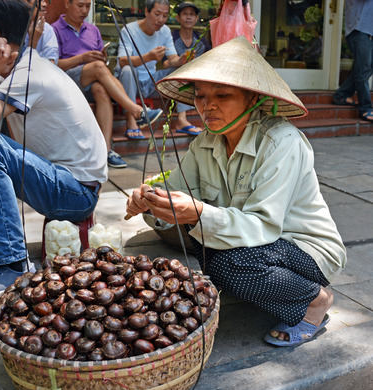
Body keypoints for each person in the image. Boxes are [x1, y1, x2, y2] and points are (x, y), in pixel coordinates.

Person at [126, 37, 347, 347]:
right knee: (207, 247)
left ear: (252, 97)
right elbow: (174, 187)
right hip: (257, 244)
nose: (207, 106)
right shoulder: (205, 142)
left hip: (302, 247)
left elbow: (264, 224)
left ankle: (314, 302)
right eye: (200, 96)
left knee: (231, 264)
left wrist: (199, 212)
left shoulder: (280, 141)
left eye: (223, 95)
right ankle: (274, 287)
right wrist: (148, 199)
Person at [0, 0, 108, 302]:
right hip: (59, 181)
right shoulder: (13, 68)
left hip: (77, 193)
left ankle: (11, 265)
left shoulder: (30, 74)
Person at [52, 0, 162, 168]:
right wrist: (82, 59)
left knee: (100, 89)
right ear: (67, 4)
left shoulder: (93, 30)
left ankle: (106, 150)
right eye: (80, 5)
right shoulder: (55, 29)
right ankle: (136, 111)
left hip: (91, 80)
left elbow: (101, 61)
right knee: (98, 67)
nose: (84, 10)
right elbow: (52, 65)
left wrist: (100, 58)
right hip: (67, 80)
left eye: (88, 6)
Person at [115, 0, 196, 138]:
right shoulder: (129, 30)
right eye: (157, 14)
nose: (161, 20)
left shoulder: (164, 31)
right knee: (129, 69)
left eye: (165, 16)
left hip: (150, 82)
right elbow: (122, 61)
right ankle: (131, 120)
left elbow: (173, 59)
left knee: (182, 70)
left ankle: (182, 120)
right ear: (147, 11)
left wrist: (181, 60)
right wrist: (148, 57)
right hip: (128, 83)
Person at [166, 1, 211, 135]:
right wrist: (181, 61)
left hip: (197, 78)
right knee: (181, 72)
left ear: (196, 19)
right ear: (178, 18)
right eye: (184, 14)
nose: (188, 17)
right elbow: (166, 64)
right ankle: (182, 119)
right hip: (178, 77)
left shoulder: (201, 39)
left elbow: (209, 61)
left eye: (192, 14)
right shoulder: (172, 37)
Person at [332, 0, 373, 123]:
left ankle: (342, 94)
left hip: (369, 30)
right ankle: (365, 108)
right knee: (363, 70)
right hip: (359, 29)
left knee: (365, 68)